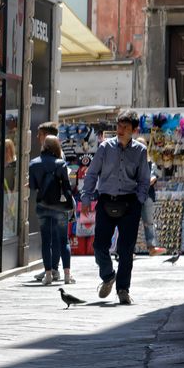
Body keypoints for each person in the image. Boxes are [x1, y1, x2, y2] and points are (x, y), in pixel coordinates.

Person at [80, 111, 151, 305]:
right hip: (106, 201)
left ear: (134, 130)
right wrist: (86, 197)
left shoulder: (140, 151)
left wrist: (139, 200)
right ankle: (108, 275)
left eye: (125, 127)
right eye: (119, 126)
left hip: (129, 203)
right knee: (99, 245)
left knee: (126, 249)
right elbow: (92, 173)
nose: (120, 130)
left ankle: (123, 289)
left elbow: (144, 179)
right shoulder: (105, 148)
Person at [29, 135, 76, 285]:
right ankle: (67, 275)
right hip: (59, 207)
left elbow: (33, 186)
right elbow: (67, 187)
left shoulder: (33, 164)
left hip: (42, 206)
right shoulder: (61, 164)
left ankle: (48, 275)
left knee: (46, 241)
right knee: (63, 241)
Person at [136, 136, 167, 256]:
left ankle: (152, 247)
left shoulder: (150, 162)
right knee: (131, 222)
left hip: (147, 194)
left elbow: (154, 176)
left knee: (148, 221)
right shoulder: (132, 162)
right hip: (134, 194)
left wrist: (150, 180)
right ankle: (128, 249)